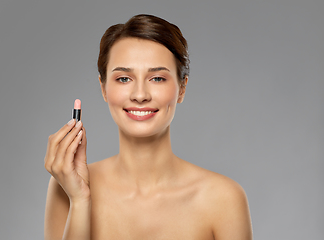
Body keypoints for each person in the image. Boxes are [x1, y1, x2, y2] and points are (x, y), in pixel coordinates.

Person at [44, 14, 253, 240]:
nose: (140, 95)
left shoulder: (224, 199)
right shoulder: (67, 185)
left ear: (182, 88)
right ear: (103, 88)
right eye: (124, 78)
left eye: (157, 78)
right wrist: (80, 200)